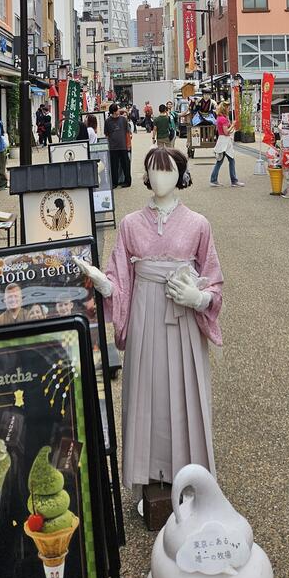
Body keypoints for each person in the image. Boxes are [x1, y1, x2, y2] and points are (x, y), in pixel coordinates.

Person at [74, 146, 222, 502]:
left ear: (181, 175)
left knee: (186, 388)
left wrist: (200, 298)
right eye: (153, 171)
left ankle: (192, 475)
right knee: (146, 387)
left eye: (168, 170)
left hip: (182, 314)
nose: (159, 178)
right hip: (143, 311)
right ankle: (148, 472)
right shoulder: (129, 224)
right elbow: (119, 274)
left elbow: (214, 278)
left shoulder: (198, 223)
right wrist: (106, 285)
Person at [210, 101, 243, 187]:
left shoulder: (220, 118)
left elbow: (225, 132)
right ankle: (234, 181)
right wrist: (232, 125)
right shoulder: (223, 119)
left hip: (222, 141)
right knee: (231, 161)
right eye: (228, 107)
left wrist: (231, 127)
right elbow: (226, 132)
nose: (229, 108)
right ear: (225, 108)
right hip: (225, 142)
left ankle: (214, 180)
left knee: (220, 161)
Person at [105, 103, 131, 188]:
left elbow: (127, 132)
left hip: (123, 146)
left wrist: (128, 144)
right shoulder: (107, 121)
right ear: (114, 111)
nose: (119, 110)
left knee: (126, 165)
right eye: (117, 109)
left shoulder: (123, 119)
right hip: (113, 147)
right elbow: (107, 134)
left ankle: (127, 181)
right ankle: (114, 183)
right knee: (114, 166)